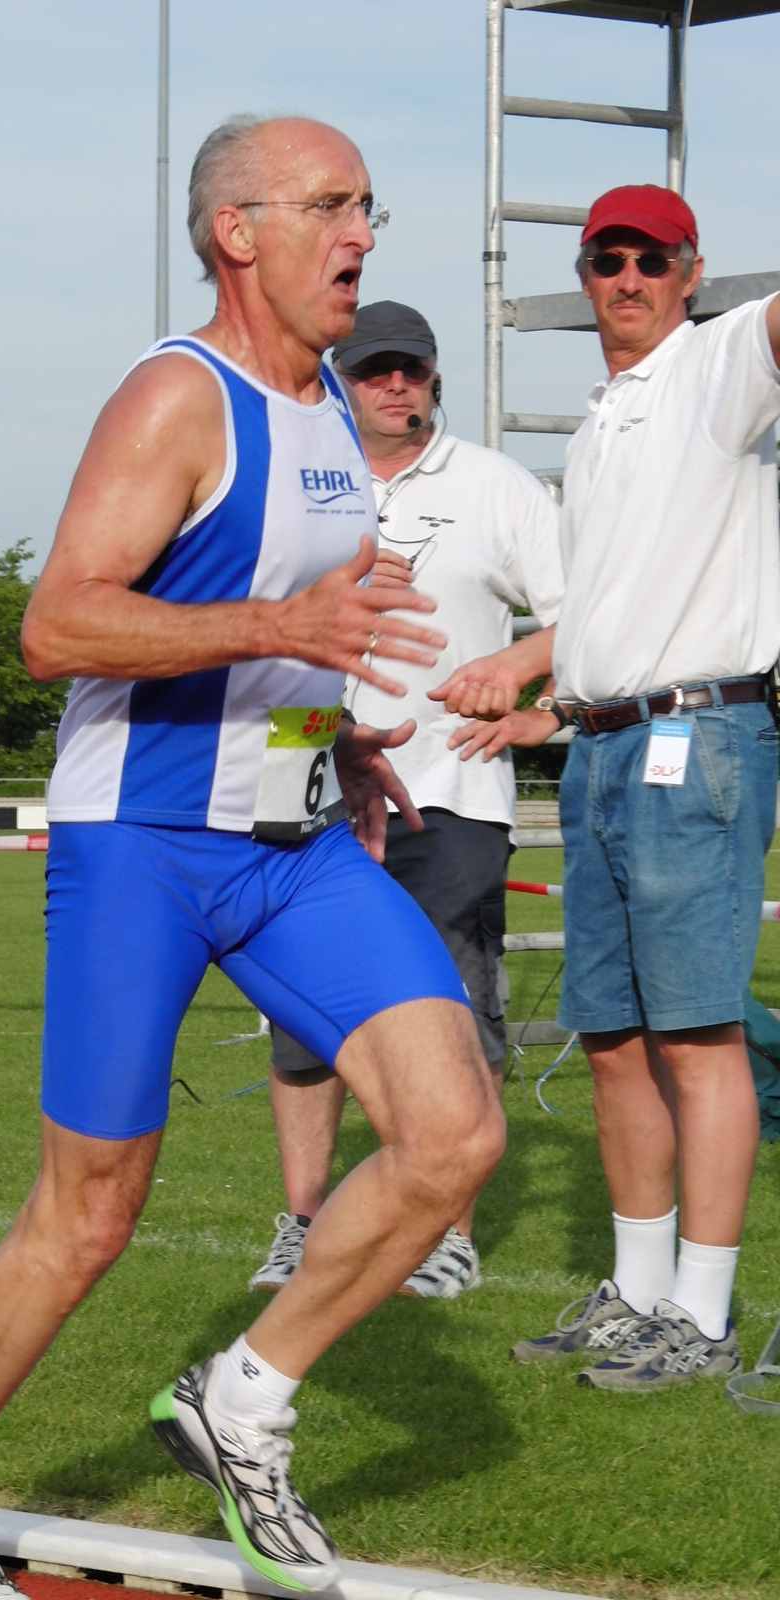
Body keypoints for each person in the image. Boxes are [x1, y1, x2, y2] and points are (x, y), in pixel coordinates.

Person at [0, 114, 506, 1600]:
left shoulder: (331, 407)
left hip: (291, 846)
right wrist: (284, 628)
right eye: (329, 206)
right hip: (141, 848)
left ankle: (244, 1398)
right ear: (237, 231)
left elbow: (299, 629)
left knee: (456, 1133)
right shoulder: (177, 397)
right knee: (90, 1213)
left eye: (369, 207)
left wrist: (337, 734)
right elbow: (57, 625)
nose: (361, 235)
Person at [463, 184, 780, 1391]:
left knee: (698, 1035)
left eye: (654, 258)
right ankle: (639, 1295)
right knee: (612, 1039)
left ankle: (702, 1313)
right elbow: (604, 606)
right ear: (586, 276)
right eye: (609, 258)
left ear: (693, 272)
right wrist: (543, 698)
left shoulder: (718, 365)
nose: (630, 278)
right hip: (600, 743)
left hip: (697, 737)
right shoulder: (603, 422)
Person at [251, 300, 563, 1302]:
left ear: (434, 379)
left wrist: (520, 684)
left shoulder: (498, 485)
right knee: (302, 1016)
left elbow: (582, 617)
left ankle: (445, 1233)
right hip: (303, 778)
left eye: (412, 369)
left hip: (452, 789)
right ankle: (303, 1226)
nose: (396, 385)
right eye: (374, 369)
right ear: (339, 381)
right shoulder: (297, 483)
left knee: (454, 1007)